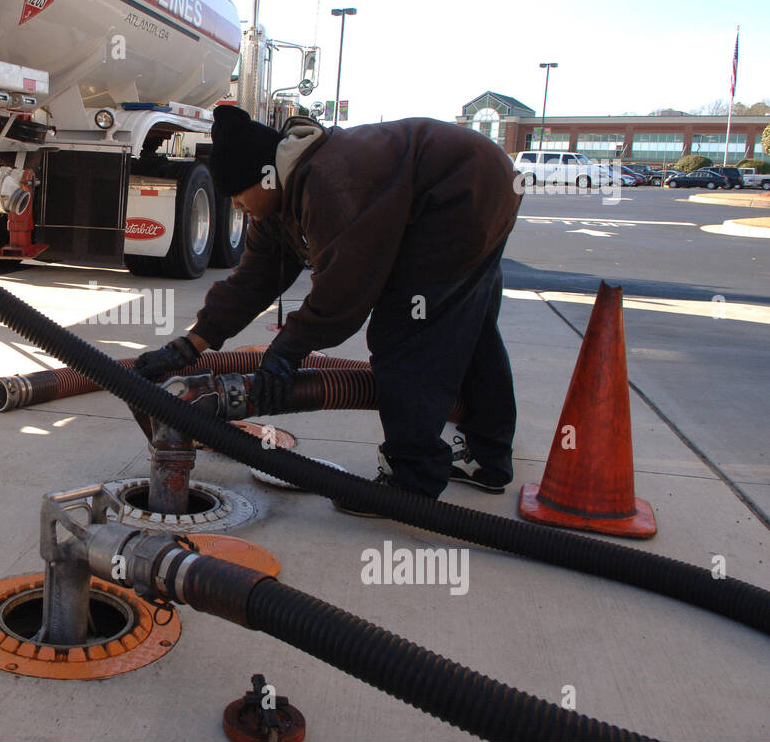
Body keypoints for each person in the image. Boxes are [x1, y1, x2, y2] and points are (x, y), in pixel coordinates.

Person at [133, 104, 522, 506]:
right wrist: (190, 345)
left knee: (405, 333)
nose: (236, 207)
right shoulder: (279, 201)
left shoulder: (331, 184)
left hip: (462, 190)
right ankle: (488, 457)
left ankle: (412, 483)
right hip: (482, 177)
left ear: (265, 176)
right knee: (469, 328)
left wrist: (285, 353)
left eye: (237, 195)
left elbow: (344, 294)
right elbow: (252, 283)